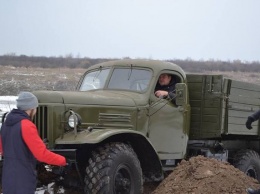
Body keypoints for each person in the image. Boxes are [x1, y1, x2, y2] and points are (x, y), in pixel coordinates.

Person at [0, 92, 67, 194]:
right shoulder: (26, 125)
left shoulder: (6, 124)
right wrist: (62, 160)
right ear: (31, 108)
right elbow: (41, 155)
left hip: (8, 177)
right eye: (35, 108)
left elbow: (3, 149)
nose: (35, 111)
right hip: (23, 178)